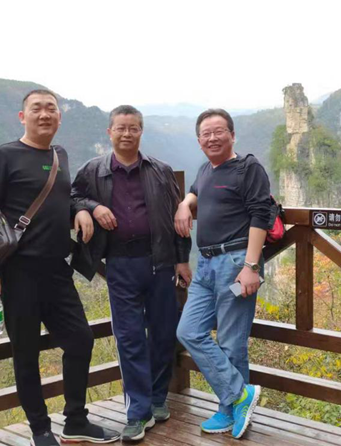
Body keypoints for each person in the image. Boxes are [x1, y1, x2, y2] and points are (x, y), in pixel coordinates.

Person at [0, 89, 120, 446]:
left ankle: (76, 420)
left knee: (80, 340)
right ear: (22, 116)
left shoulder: (59, 155)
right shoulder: (4, 155)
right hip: (18, 272)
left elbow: (62, 198)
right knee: (26, 353)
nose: (44, 114)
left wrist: (79, 210)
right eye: (36, 109)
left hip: (56, 270)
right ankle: (40, 429)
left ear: (59, 117)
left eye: (51, 109)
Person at [71, 105, 192, 442]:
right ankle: (137, 412)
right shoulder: (93, 170)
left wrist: (182, 260)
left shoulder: (159, 170)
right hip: (120, 265)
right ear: (109, 132)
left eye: (133, 128)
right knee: (129, 337)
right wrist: (91, 207)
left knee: (164, 332)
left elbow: (178, 218)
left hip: (160, 262)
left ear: (141, 131)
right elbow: (71, 197)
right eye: (121, 128)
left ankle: (157, 398)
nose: (127, 133)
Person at [174, 109, 272, 439]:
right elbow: (195, 190)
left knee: (231, 340)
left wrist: (251, 266)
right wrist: (185, 203)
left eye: (219, 131)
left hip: (235, 263)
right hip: (205, 265)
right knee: (189, 331)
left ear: (232, 135)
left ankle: (229, 409)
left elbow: (260, 214)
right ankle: (240, 394)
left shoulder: (248, 167)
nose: (212, 138)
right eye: (206, 133)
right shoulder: (206, 169)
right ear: (199, 140)